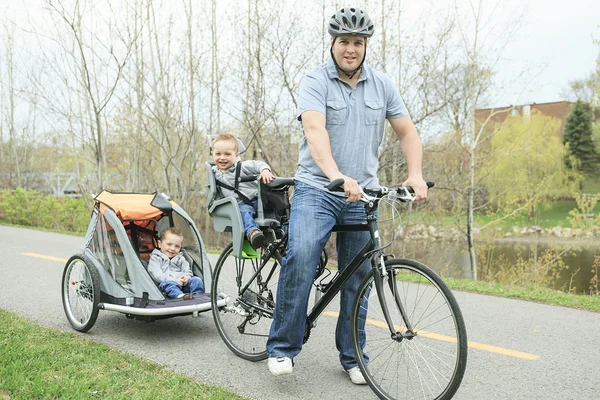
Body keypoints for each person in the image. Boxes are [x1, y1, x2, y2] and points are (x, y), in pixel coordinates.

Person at [266, 7, 429, 385]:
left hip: (365, 193)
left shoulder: (383, 85)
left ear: (366, 45)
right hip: (317, 189)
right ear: (332, 43)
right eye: (344, 42)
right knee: (303, 255)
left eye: (358, 42)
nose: (351, 49)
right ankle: (282, 348)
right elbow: (315, 130)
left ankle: (353, 356)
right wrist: (337, 175)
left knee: (359, 275)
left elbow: (408, 133)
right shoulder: (315, 80)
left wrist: (415, 175)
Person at [211, 132, 275, 249]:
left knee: (277, 215)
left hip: (258, 201)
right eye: (218, 154)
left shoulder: (242, 166)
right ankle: (253, 233)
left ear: (236, 155)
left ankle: (281, 242)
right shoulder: (214, 173)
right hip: (241, 206)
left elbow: (258, 164)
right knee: (244, 212)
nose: (222, 158)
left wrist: (265, 170)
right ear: (212, 154)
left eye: (227, 154)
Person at [147, 227, 204, 299]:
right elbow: (157, 275)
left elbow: (188, 271)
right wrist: (174, 280)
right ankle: (180, 296)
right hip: (166, 285)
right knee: (167, 284)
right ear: (159, 244)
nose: (173, 248)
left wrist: (185, 279)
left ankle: (197, 296)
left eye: (177, 246)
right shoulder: (156, 258)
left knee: (197, 280)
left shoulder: (181, 258)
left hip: (182, 284)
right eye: (169, 244)